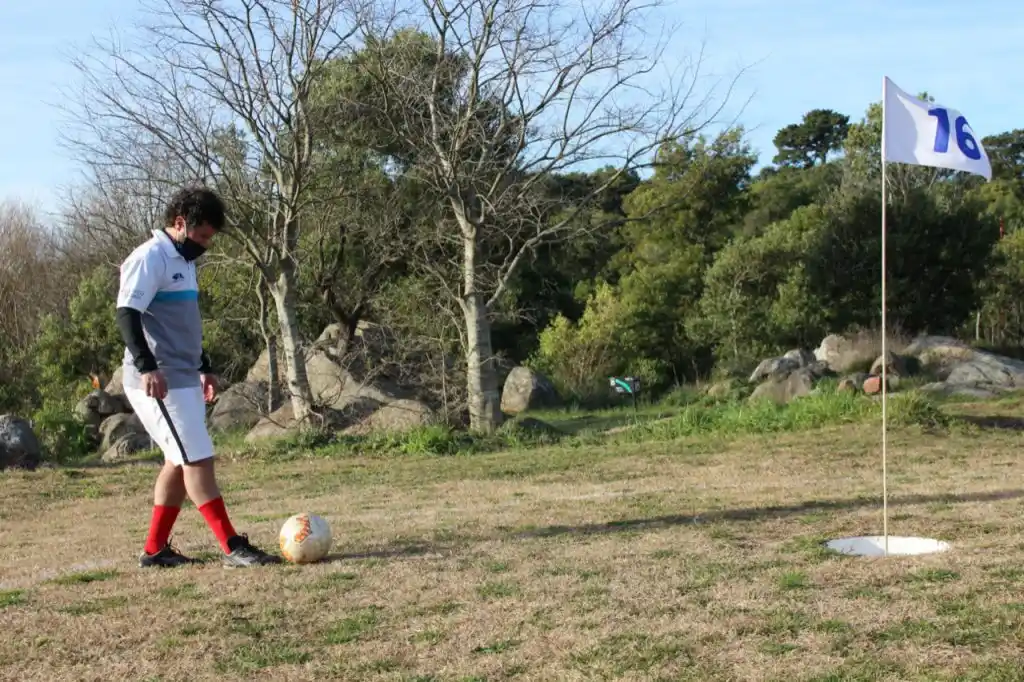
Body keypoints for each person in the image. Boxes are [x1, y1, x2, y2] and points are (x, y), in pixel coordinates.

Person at [115, 185, 280, 568]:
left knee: (179, 460)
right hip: (159, 381)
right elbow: (127, 314)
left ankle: (155, 550)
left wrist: (203, 366)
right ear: (180, 223)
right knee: (198, 459)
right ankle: (232, 546)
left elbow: (185, 323)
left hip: (184, 376)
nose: (206, 245)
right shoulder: (150, 257)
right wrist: (147, 367)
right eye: (203, 236)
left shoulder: (183, 261)